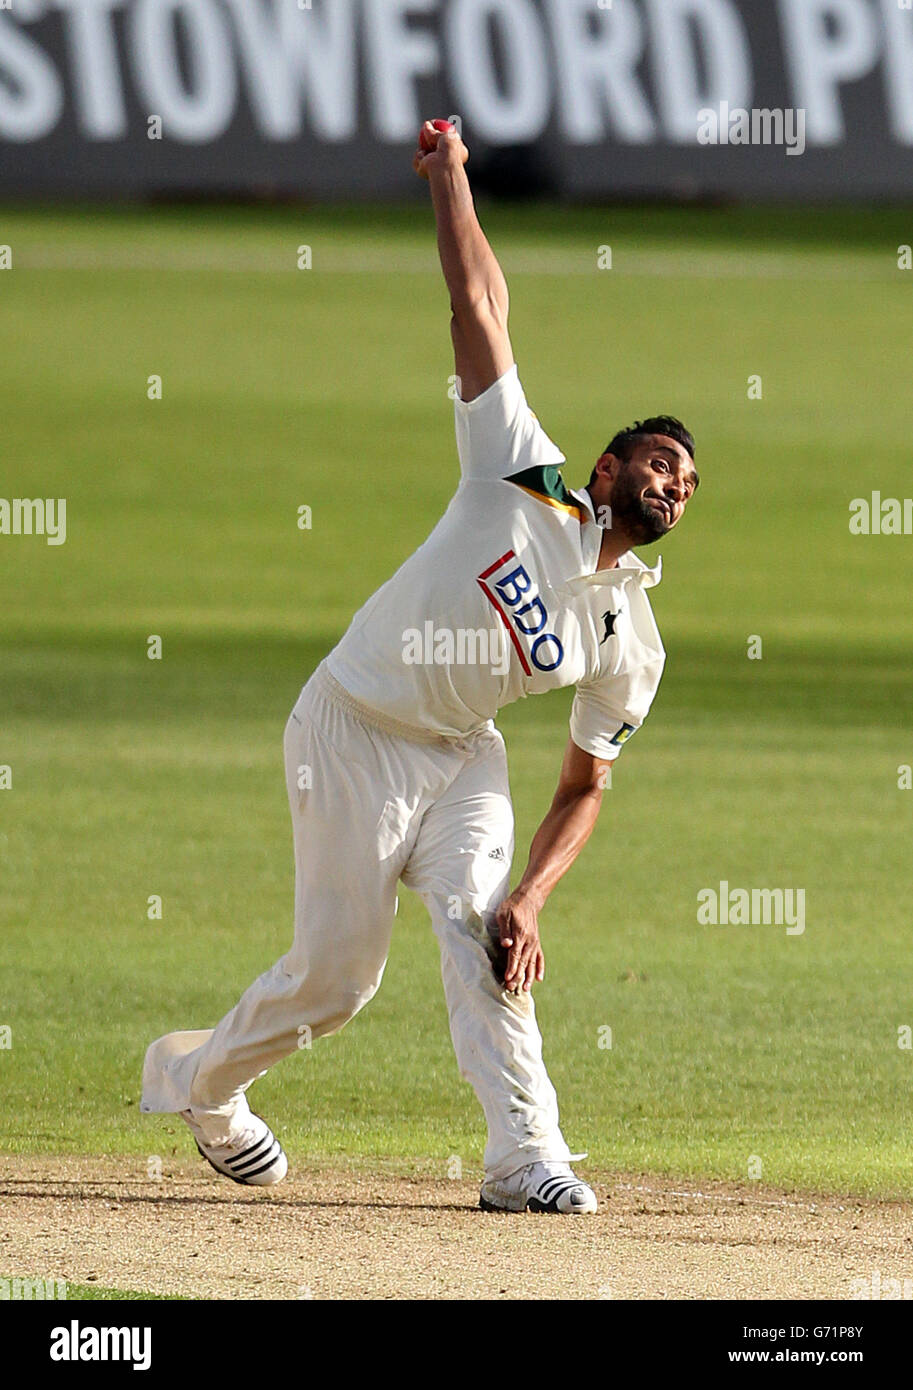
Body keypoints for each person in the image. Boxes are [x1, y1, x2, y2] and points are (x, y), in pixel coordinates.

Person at [140, 121, 699, 1215]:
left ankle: (522, 1160)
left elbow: (587, 784)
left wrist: (533, 896)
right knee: (337, 981)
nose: (675, 485)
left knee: (482, 927)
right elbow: (478, 305)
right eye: (661, 462)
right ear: (608, 467)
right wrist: (452, 179)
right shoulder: (523, 474)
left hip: (460, 755)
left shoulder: (632, 637)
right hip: (352, 726)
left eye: (689, 483)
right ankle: (200, 1084)